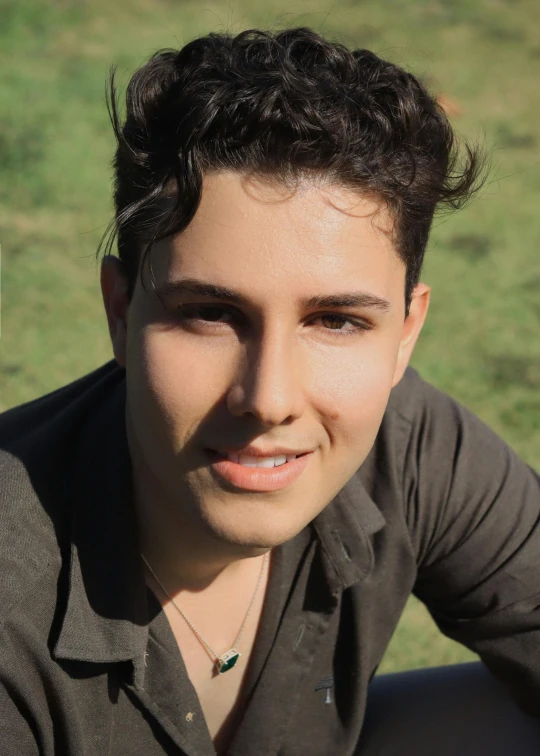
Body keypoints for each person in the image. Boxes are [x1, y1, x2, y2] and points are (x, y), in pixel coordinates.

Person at [1, 27, 539, 756]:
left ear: (405, 334)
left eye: (337, 321)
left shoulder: (412, 445)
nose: (269, 398)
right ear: (121, 313)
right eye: (211, 314)